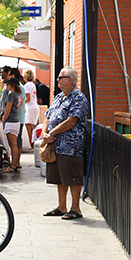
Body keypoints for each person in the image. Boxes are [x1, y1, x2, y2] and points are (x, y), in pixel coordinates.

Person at [43, 67, 89, 220]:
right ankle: (61, 206)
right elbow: (47, 116)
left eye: (61, 77)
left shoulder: (79, 98)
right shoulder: (58, 97)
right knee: (59, 176)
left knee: (72, 176)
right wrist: (45, 133)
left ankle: (76, 208)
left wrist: (52, 133)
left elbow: (72, 121)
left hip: (70, 146)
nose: (58, 80)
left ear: (71, 80)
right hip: (55, 144)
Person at [0, 77, 23, 173]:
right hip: (15, 120)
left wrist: (3, 121)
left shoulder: (11, 95)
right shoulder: (18, 95)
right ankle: (14, 164)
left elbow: (7, 110)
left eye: (8, 84)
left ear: (12, 85)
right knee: (14, 145)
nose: (6, 85)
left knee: (12, 145)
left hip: (10, 121)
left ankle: (13, 165)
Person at [22, 69, 39, 149]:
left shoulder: (26, 85)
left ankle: (31, 145)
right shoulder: (32, 84)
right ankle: (32, 144)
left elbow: (27, 98)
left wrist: (21, 103)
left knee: (28, 127)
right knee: (31, 127)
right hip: (34, 106)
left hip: (30, 108)